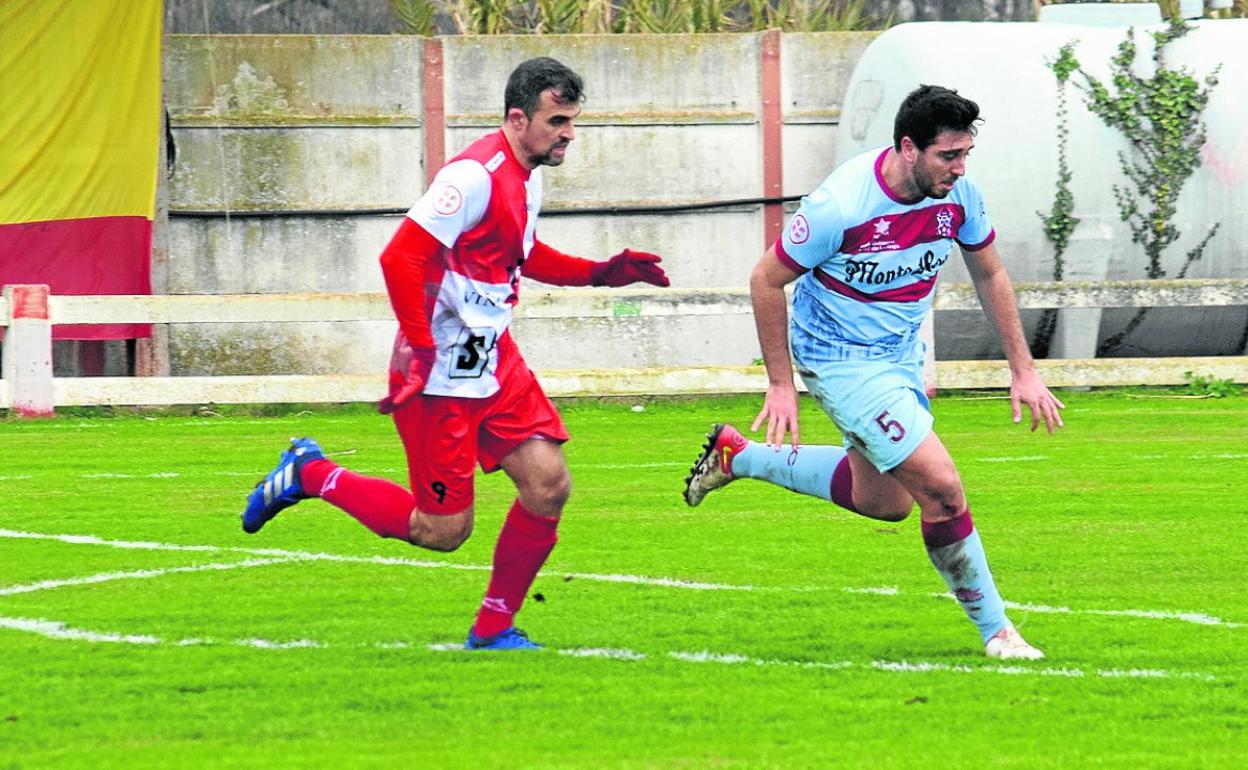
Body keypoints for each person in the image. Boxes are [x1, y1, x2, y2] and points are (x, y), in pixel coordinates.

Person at [240, 57, 669, 650]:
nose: (569, 132)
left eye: (572, 119)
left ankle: (493, 628)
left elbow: (521, 254)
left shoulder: (529, 174)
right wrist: (419, 348)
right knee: (442, 531)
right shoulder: (471, 177)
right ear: (518, 119)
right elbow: (399, 258)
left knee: (548, 485)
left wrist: (600, 273)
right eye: (558, 120)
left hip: (491, 359)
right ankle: (312, 473)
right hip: (437, 374)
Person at [683, 85, 1063, 660]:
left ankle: (742, 456)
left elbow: (990, 273)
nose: (960, 170)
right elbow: (765, 280)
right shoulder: (842, 205)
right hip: (838, 358)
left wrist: (1024, 370)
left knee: (886, 503)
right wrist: (782, 384)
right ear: (909, 148)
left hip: (901, 355)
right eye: (948, 156)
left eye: (965, 155)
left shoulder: (958, 196)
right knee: (943, 490)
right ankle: (998, 632)